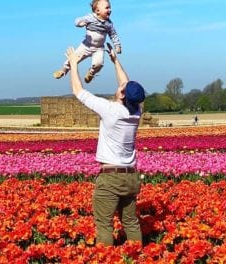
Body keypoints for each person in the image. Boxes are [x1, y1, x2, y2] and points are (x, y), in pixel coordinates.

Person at [64, 43, 145, 246]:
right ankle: (139, 256)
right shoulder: (136, 112)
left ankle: (105, 257)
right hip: (131, 176)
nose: (120, 85)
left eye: (122, 88)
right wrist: (115, 61)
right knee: (131, 222)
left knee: (104, 224)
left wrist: (74, 63)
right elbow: (126, 83)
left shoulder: (110, 110)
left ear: (122, 95)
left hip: (111, 178)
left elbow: (78, 91)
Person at [53, 0, 121, 84]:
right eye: (107, 8)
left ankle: (91, 73)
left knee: (99, 64)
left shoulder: (109, 24)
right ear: (97, 11)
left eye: (110, 8)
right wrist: (80, 23)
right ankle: (63, 70)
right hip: (86, 46)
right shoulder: (90, 18)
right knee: (73, 58)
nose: (110, 10)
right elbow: (78, 20)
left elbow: (113, 34)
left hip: (98, 49)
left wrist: (117, 45)